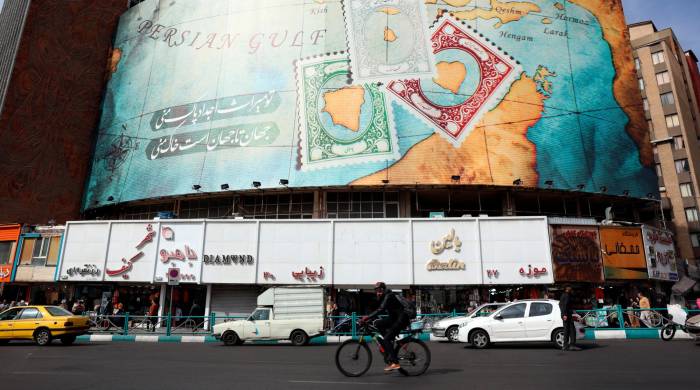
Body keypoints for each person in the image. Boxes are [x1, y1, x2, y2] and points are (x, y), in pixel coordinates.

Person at [360, 282, 411, 372]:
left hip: (401, 319)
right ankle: (388, 343)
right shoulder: (384, 297)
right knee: (378, 324)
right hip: (394, 318)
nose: (378, 293)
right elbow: (378, 308)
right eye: (376, 291)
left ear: (383, 290)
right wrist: (370, 317)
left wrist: (367, 317)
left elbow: (381, 309)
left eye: (380, 291)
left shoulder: (389, 296)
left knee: (386, 339)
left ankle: (395, 363)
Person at [559, 285, 579, 351]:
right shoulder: (567, 295)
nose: (571, 289)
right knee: (571, 330)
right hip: (567, 315)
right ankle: (571, 345)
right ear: (567, 289)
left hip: (565, 314)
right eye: (570, 287)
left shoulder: (563, 295)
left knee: (567, 330)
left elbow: (561, 305)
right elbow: (565, 305)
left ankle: (565, 345)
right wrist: (565, 314)